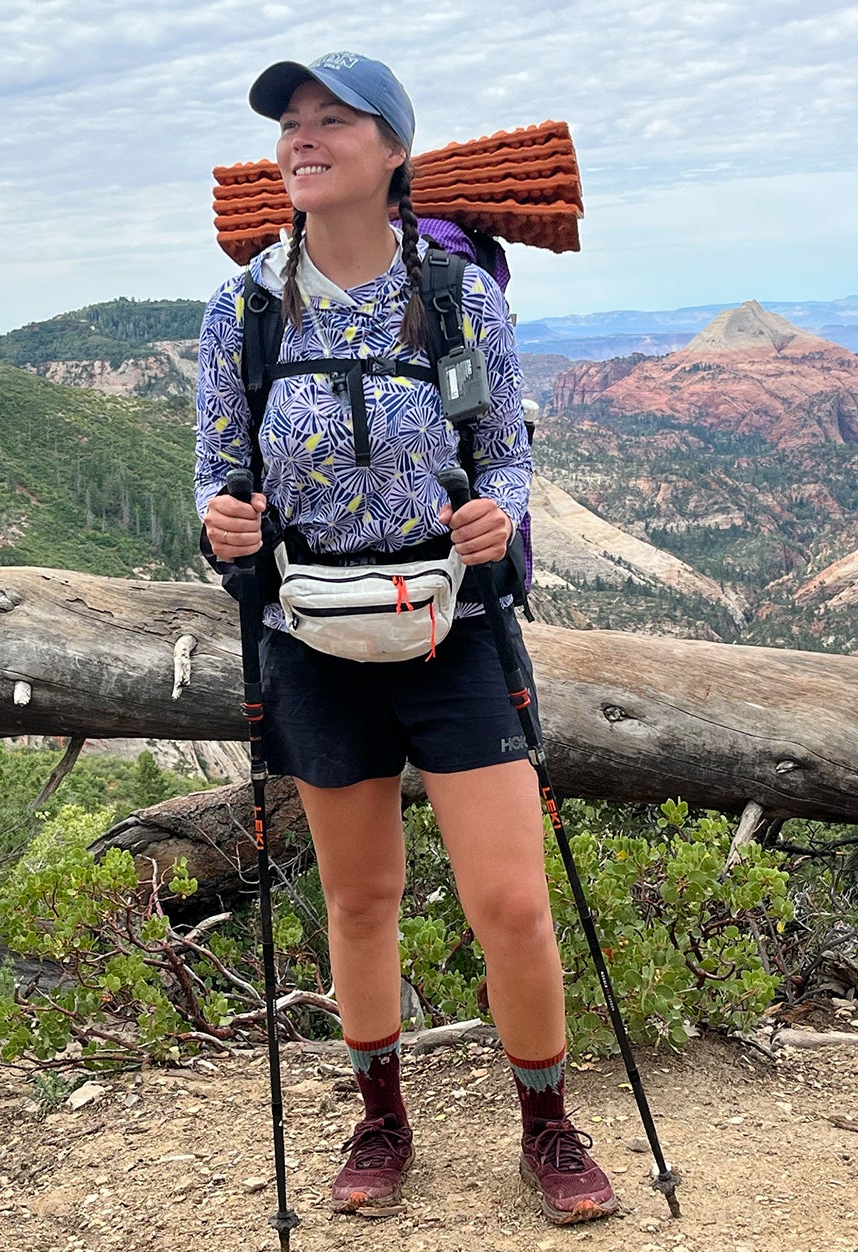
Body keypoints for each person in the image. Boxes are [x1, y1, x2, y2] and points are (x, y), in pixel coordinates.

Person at [193, 52, 618, 1226]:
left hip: (456, 625)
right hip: (308, 633)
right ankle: (380, 1119)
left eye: (333, 120)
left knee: (512, 903)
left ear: (392, 153)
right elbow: (216, 478)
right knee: (360, 899)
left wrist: (498, 514)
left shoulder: (455, 293)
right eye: (292, 122)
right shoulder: (239, 310)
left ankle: (548, 1125)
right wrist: (223, 522)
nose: (303, 136)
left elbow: (506, 451)